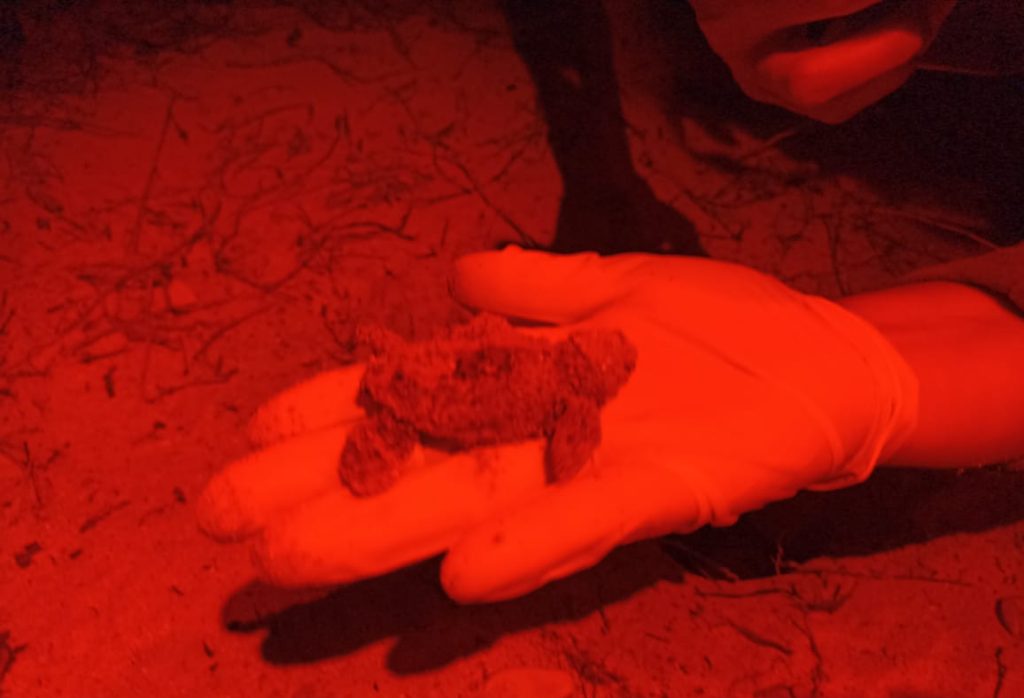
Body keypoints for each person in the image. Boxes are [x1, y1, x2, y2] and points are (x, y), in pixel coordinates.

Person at [197, 0, 1024, 604]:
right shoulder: (572, 399)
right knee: (432, 394)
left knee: (436, 394)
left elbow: (508, 360)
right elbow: (540, 406)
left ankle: (389, 406)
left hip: (437, 391)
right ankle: (387, 412)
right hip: (440, 392)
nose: (613, 354)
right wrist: (862, 350)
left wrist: (871, 375)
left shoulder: (568, 389)